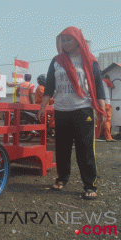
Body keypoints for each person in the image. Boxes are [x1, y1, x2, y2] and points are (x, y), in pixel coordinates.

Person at [37, 26, 106, 200]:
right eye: (63, 40)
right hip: (61, 110)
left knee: (85, 149)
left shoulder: (89, 60)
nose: (65, 43)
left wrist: (102, 109)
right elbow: (50, 86)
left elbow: (98, 86)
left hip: (83, 110)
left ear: (78, 40)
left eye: (69, 39)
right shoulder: (56, 61)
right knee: (62, 148)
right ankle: (62, 178)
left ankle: (89, 185)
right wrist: (42, 107)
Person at [95, 75, 117, 142]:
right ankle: (108, 137)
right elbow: (113, 87)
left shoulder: (95, 81)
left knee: (98, 120)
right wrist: (109, 79)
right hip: (106, 102)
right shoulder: (106, 81)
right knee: (107, 120)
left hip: (98, 103)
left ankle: (96, 136)